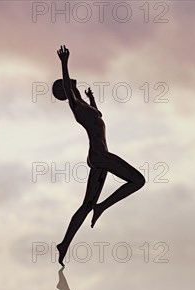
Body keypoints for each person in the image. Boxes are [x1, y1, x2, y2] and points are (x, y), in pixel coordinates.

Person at [54, 45, 146, 266]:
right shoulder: (75, 106)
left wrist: (92, 99)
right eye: (68, 85)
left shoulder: (84, 105)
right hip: (100, 155)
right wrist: (64, 63)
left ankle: (64, 244)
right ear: (65, 92)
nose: (74, 81)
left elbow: (99, 116)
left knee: (86, 205)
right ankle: (102, 207)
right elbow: (68, 86)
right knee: (138, 180)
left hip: (98, 158)